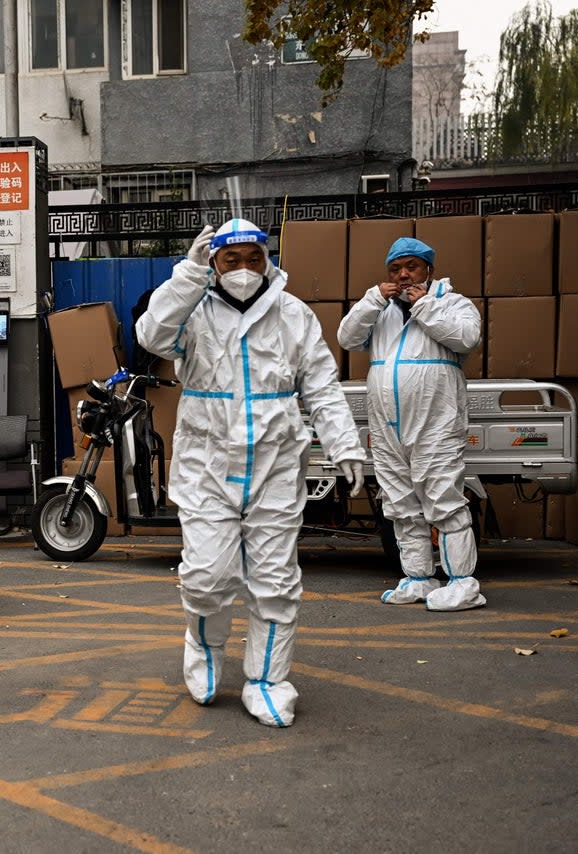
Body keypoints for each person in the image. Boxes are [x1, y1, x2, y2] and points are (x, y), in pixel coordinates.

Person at [135, 219, 366, 728]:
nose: (243, 270)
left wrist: (344, 442)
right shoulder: (191, 307)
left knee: (275, 582)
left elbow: (323, 386)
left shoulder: (293, 314)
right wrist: (188, 276)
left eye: (252, 259)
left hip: (276, 463)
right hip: (207, 462)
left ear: (268, 259)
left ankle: (267, 680)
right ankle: (204, 647)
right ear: (213, 263)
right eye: (230, 260)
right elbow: (152, 337)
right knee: (206, 577)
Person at [338, 237, 485, 611]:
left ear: (428, 270)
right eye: (395, 269)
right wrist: (372, 300)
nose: (403, 275)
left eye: (411, 267)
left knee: (443, 500)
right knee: (400, 503)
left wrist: (424, 306)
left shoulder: (453, 304)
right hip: (388, 426)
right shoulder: (381, 309)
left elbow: (467, 338)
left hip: (435, 423)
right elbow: (347, 338)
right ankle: (419, 577)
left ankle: (463, 582)